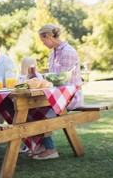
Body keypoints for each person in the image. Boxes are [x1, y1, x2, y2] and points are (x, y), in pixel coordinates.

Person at [32, 24, 84, 160]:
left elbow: (64, 81)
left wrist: (43, 78)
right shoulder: (53, 53)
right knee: (31, 108)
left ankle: (50, 149)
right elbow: (54, 79)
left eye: (43, 40)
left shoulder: (68, 52)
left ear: (48, 36)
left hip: (71, 96)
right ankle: (43, 144)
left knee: (40, 112)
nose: (43, 44)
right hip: (57, 95)